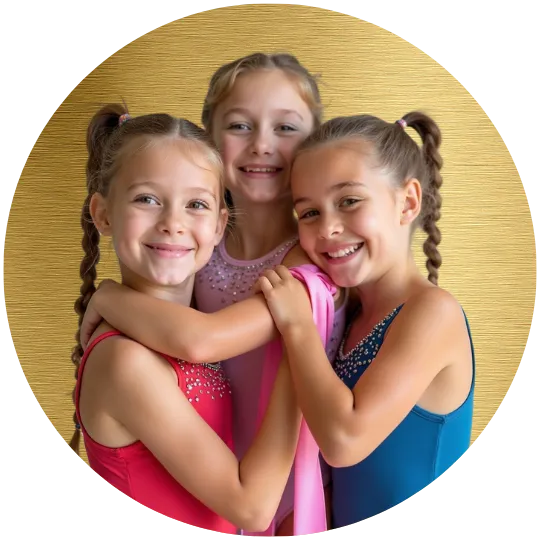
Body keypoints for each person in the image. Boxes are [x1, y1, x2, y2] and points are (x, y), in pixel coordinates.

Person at [79, 53, 349, 536]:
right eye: (146, 198)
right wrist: (297, 345)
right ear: (102, 214)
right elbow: (198, 340)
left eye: (196, 205)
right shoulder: (128, 359)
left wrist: (108, 297)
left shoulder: (312, 259)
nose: (174, 223)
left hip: (291, 496)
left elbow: (199, 342)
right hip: (248, 495)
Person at [255, 111, 475, 527]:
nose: (328, 229)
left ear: (407, 202)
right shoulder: (350, 316)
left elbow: (343, 440)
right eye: (309, 213)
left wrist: (297, 324)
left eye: (349, 201)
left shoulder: (433, 313)